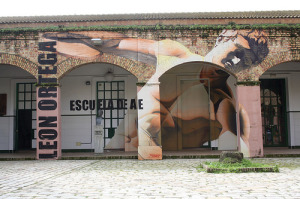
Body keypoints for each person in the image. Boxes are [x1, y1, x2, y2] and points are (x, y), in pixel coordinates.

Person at [43, 29, 269, 155]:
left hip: (148, 146)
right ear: (223, 38)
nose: (238, 60)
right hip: (125, 141)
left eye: (247, 60)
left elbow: (238, 140)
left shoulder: (228, 102)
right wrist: (76, 39)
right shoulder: (175, 54)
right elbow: (118, 43)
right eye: (239, 50)